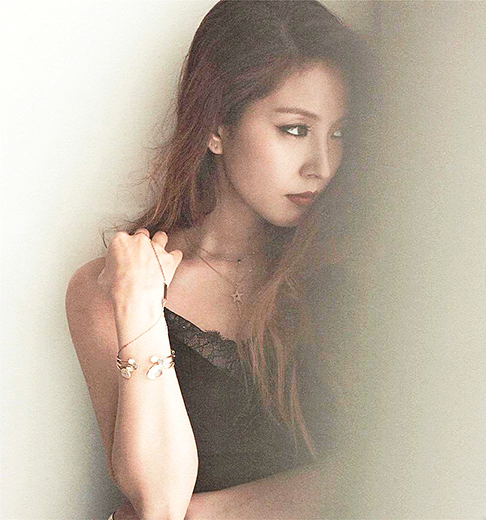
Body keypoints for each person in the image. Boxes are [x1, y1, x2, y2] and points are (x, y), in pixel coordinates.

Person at [66, 1, 367, 518]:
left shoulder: (352, 276)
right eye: (295, 130)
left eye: (337, 134)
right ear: (216, 128)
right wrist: (140, 312)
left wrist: (204, 514)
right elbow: (158, 500)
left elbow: (380, 472)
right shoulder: (113, 286)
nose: (321, 166)